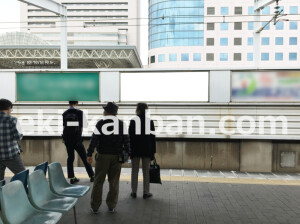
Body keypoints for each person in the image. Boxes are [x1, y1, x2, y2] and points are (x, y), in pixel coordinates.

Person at [87, 102, 130, 214]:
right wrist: (128, 153)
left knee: (98, 181)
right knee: (114, 182)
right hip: (117, 156)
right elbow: (126, 140)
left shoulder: (101, 123)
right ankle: (111, 205)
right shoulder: (121, 124)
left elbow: (94, 139)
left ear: (108, 111)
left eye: (105, 109)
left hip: (102, 156)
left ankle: (95, 206)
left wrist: (89, 153)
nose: (103, 111)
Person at [62, 101, 94, 184]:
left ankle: (72, 177)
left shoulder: (65, 113)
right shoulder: (80, 112)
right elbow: (85, 125)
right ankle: (92, 176)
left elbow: (65, 125)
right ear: (77, 103)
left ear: (68, 103)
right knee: (84, 157)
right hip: (77, 140)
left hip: (67, 140)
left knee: (70, 158)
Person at [129, 103, 156, 199]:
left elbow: (130, 137)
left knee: (134, 171)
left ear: (138, 110)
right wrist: (153, 151)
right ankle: (146, 192)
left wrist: (129, 150)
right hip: (147, 150)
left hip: (135, 150)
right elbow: (153, 138)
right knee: (146, 172)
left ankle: (134, 192)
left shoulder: (133, 121)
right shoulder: (150, 122)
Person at [0, 99, 25, 181]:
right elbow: (18, 137)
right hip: (10, 154)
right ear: (9, 108)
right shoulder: (12, 120)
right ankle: (23, 193)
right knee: (22, 175)